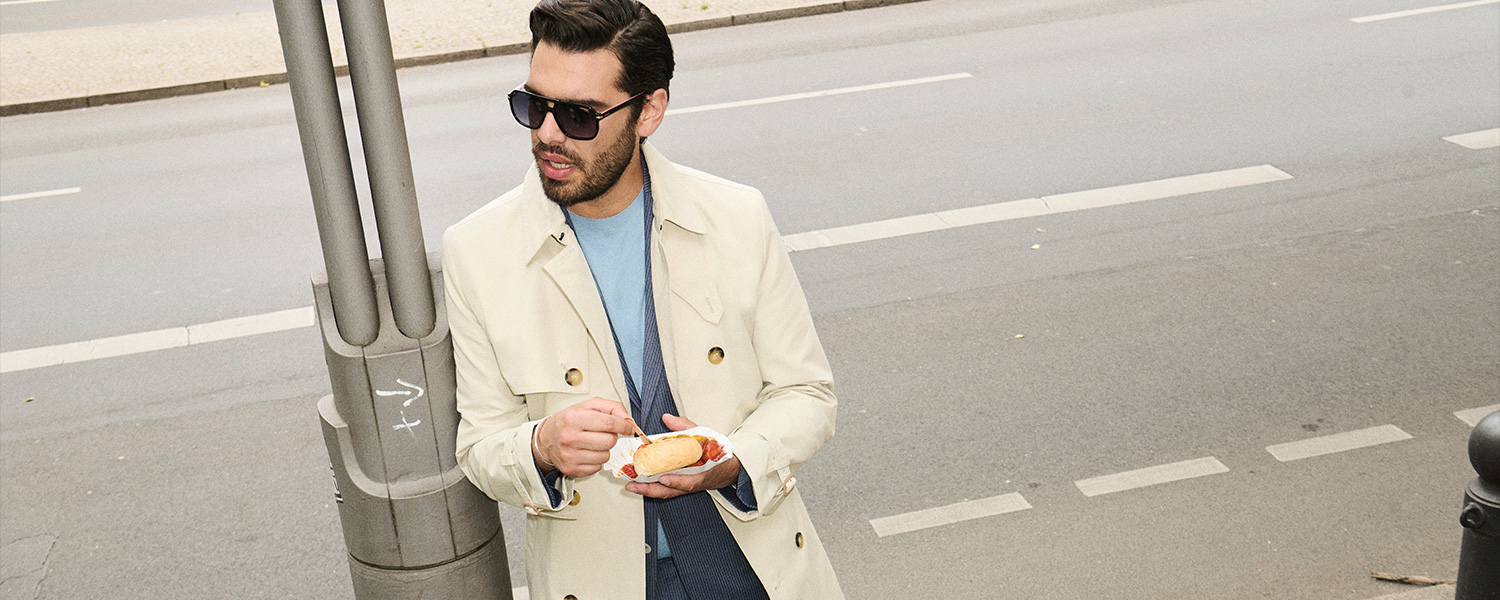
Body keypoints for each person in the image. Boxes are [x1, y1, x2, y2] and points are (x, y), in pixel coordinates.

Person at [441, 0, 845, 598]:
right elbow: (480, 446)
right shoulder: (476, 250)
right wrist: (541, 446)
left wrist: (735, 459)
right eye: (534, 106)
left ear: (649, 110)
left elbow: (806, 394)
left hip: (751, 569)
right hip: (597, 579)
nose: (548, 134)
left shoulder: (735, 218)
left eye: (579, 114)